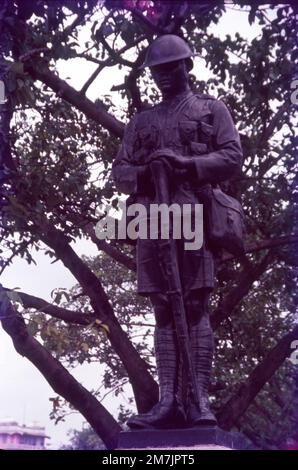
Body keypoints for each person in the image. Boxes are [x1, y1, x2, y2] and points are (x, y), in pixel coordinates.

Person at [112, 34, 243, 429]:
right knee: (164, 309)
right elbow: (120, 172)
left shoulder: (210, 109)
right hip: (153, 221)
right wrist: (148, 170)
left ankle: (199, 400)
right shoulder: (142, 122)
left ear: (187, 66)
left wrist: (186, 164)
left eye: (170, 68)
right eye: (157, 71)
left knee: (196, 305)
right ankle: (168, 400)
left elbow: (232, 155)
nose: (163, 76)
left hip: (195, 215)